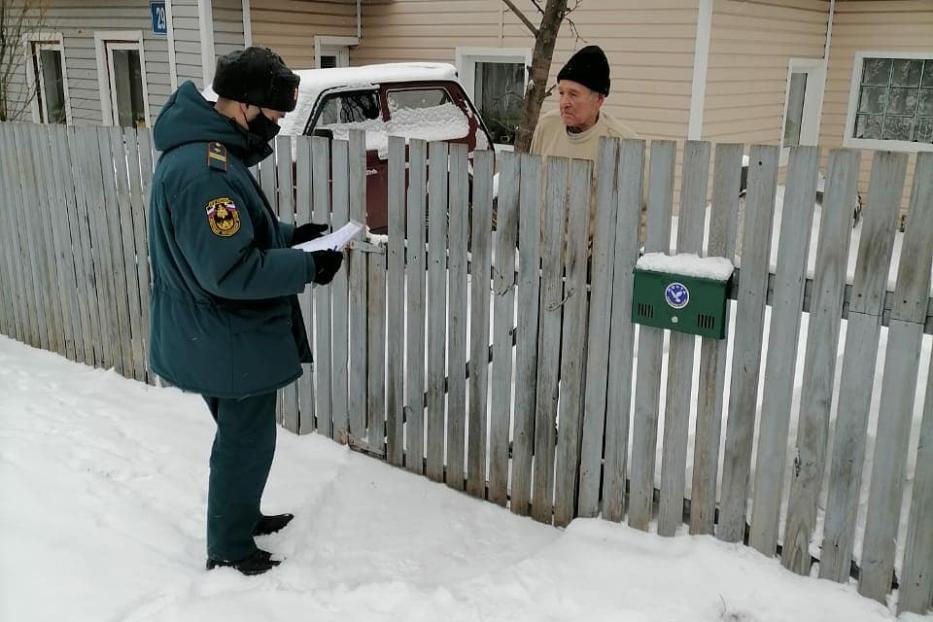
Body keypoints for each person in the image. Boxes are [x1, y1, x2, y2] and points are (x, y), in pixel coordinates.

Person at [147, 47, 343, 576]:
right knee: (246, 440)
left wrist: (293, 238)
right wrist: (307, 267)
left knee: (243, 437)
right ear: (243, 106)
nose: (275, 128)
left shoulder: (210, 154)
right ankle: (231, 547)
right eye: (274, 117)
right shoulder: (204, 171)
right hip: (225, 334)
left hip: (215, 332)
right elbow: (230, 271)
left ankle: (241, 516)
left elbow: (238, 237)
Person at [530, 45, 642, 247]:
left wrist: (603, 254)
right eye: (561, 92)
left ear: (599, 99)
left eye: (573, 94)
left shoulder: (622, 142)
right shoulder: (548, 126)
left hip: (593, 264)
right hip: (542, 254)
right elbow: (531, 183)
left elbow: (642, 215)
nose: (564, 102)